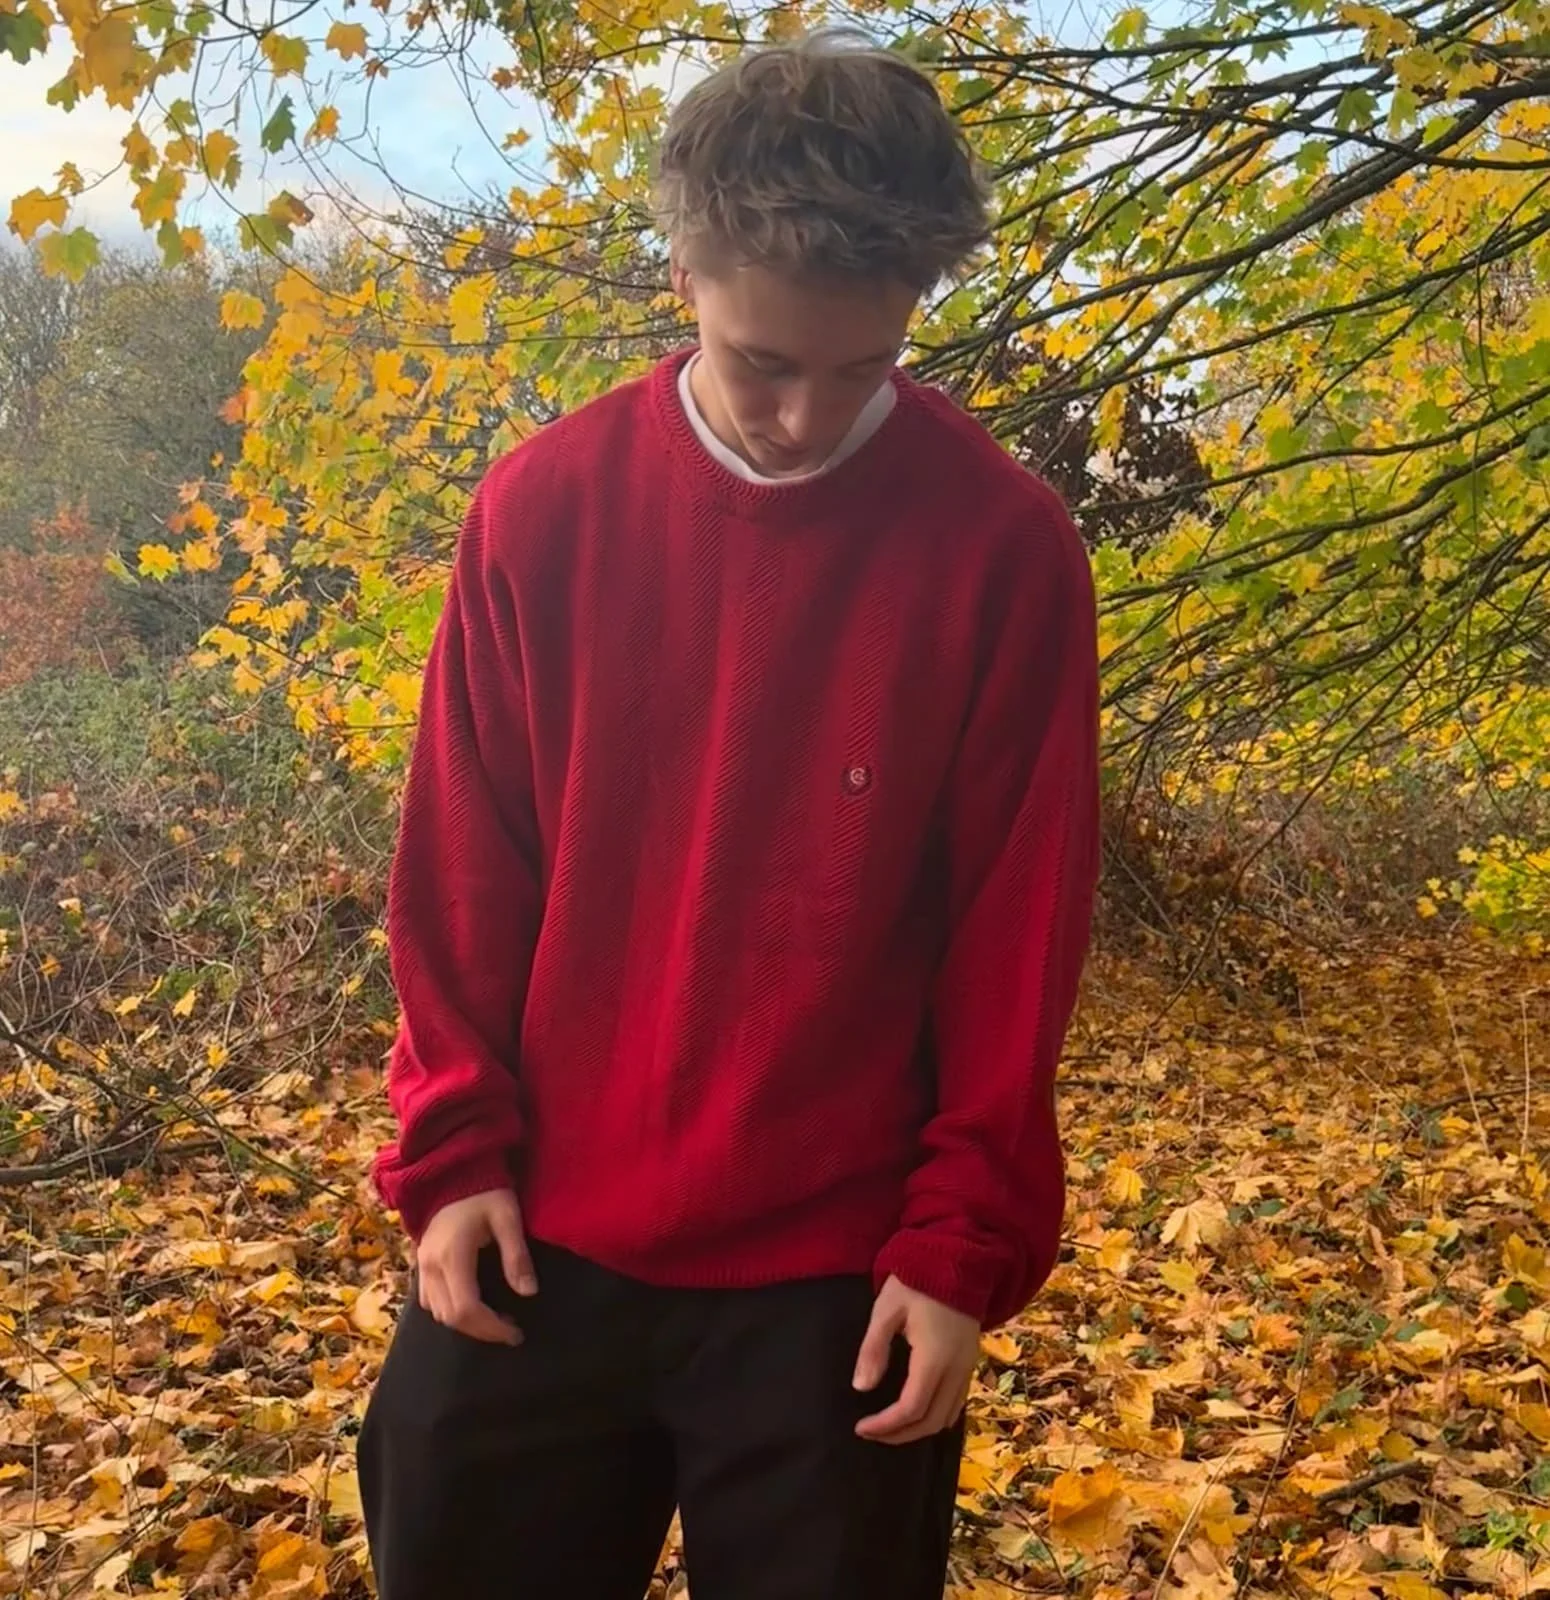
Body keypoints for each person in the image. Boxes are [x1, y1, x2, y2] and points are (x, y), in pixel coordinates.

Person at [357, 27, 1101, 1600]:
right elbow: (461, 871)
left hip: (838, 1279)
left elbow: (1012, 932)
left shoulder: (1001, 550)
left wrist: (959, 1243)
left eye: (862, 370)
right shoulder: (543, 513)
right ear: (682, 277)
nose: (802, 420)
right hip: (534, 1236)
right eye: (764, 364)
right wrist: (452, 1147)